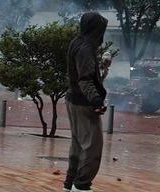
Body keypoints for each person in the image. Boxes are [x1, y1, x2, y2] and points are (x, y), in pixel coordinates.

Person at [64, 12, 108, 192]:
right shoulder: (86, 49)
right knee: (92, 148)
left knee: (77, 145)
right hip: (83, 104)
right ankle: (81, 185)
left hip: (73, 100)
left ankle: (70, 183)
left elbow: (85, 76)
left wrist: (103, 69)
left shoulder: (77, 42)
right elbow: (85, 80)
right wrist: (96, 100)